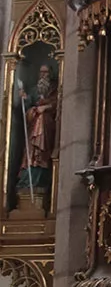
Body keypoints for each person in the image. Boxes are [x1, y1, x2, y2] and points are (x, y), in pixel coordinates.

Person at [16, 63, 58, 204]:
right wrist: (25, 99)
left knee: (43, 154)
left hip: (47, 126)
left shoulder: (54, 89)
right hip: (34, 126)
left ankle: (40, 182)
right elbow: (27, 105)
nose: (43, 75)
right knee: (31, 153)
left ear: (50, 74)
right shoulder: (35, 90)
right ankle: (27, 182)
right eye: (41, 73)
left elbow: (58, 103)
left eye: (45, 73)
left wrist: (45, 108)